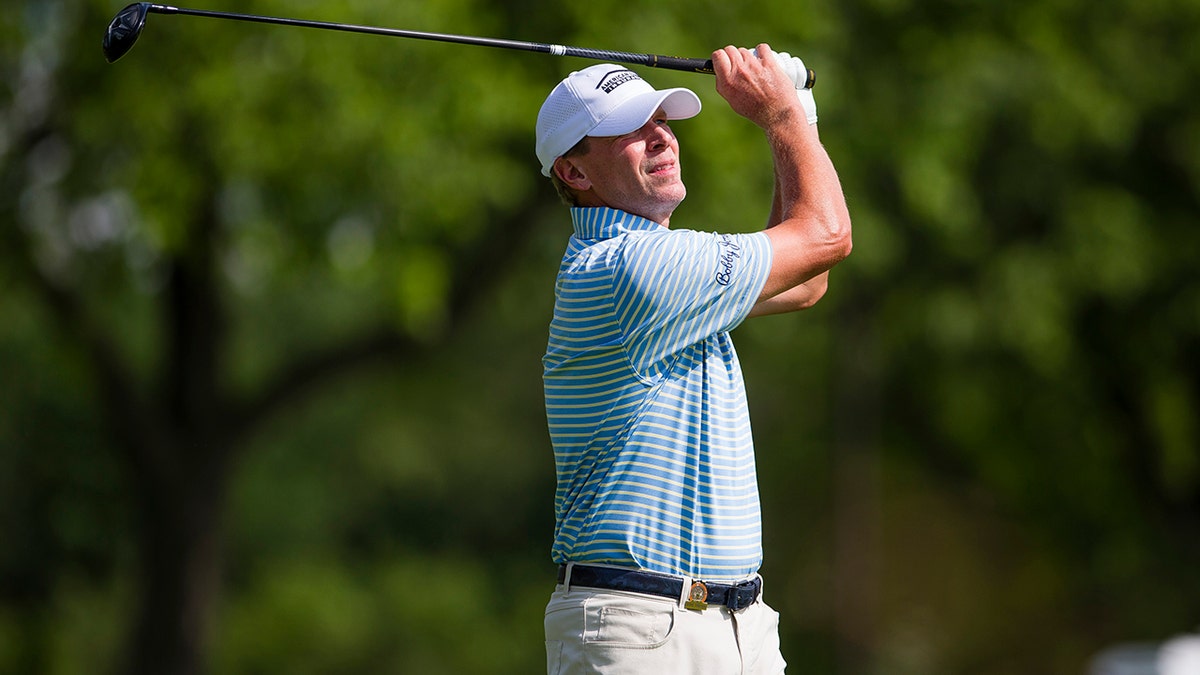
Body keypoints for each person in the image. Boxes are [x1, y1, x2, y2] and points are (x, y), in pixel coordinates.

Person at [537, 44, 852, 674]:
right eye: (626, 131)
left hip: (738, 625)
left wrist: (800, 113)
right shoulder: (632, 270)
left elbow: (805, 281)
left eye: (659, 121)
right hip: (640, 629)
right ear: (575, 174)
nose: (659, 138)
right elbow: (827, 234)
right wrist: (781, 115)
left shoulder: (657, 272)